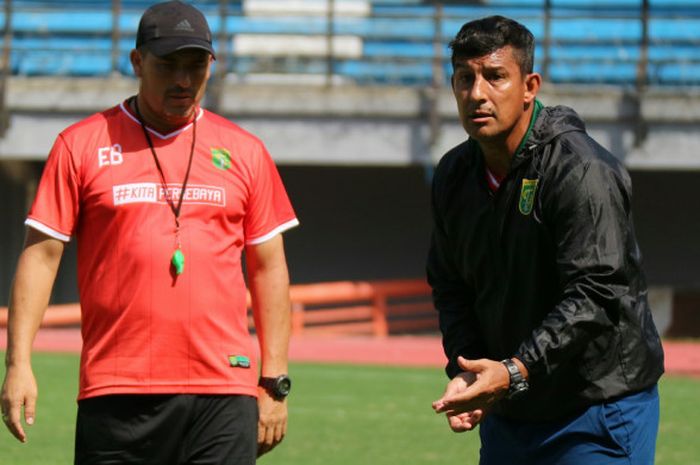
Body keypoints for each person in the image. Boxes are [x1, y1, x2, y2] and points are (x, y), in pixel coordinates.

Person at [1, 1, 298, 464]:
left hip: (223, 390)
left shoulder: (246, 151)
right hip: (117, 389)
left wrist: (274, 381)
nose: (183, 80)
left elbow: (269, 267)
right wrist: (18, 363)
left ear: (212, 66)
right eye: (168, 65)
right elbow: (41, 256)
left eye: (195, 65)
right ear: (137, 62)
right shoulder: (80, 144)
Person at [428, 15, 664, 465]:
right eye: (464, 79)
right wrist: (470, 367)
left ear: (529, 86)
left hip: (597, 408)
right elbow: (450, 284)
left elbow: (595, 293)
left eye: (495, 76)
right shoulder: (453, 174)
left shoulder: (581, 170)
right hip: (511, 410)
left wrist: (515, 370)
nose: (477, 93)